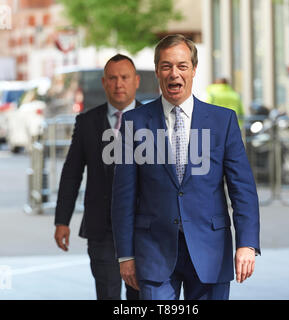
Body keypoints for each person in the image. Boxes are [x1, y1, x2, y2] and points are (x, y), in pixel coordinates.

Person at [111, 34, 260, 300]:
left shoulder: (222, 121)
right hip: (154, 251)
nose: (174, 74)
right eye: (166, 66)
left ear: (193, 70)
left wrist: (247, 243)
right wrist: (125, 255)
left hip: (211, 250)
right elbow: (123, 196)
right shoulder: (135, 122)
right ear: (157, 71)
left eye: (182, 66)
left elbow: (243, 189)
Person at [54, 54, 140, 300]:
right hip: (102, 230)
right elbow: (71, 174)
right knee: (107, 295)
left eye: (124, 77)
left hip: (144, 229)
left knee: (142, 298)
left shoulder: (154, 121)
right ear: (104, 83)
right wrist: (62, 220)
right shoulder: (87, 122)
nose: (118, 84)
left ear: (136, 81)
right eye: (112, 78)